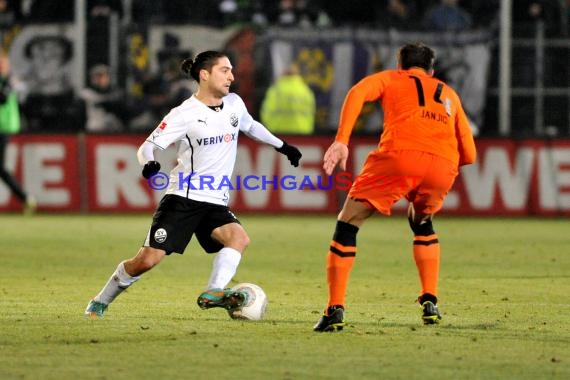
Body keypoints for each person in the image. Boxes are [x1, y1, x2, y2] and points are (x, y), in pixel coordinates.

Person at [85, 50, 302, 317]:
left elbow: (251, 126)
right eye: (225, 70)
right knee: (147, 260)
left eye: (231, 70)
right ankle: (100, 301)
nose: (231, 77)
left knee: (238, 238)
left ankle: (214, 291)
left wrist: (284, 147)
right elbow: (147, 147)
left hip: (215, 201)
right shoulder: (184, 113)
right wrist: (149, 163)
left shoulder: (234, 103)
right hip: (183, 199)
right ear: (205, 74)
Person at [313, 42, 476, 332]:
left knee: (348, 223)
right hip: (443, 164)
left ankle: (335, 308)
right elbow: (471, 154)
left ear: (400, 65)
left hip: (399, 156)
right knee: (422, 221)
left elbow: (357, 92)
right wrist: (438, 166)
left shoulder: (392, 78)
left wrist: (341, 139)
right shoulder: (449, 93)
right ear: (432, 70)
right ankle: (430, 301)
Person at [0, 48, 36, 213]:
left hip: (3, 127)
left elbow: (4, 98)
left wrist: (10, 85)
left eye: (3, 62)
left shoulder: (10, 81)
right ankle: (25, 198)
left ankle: (25, 197)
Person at [260, 63, 316, 135]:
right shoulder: (306, 91)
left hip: (277, 133)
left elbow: (265, 113)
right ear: (297, 75)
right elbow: (311, 113)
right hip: (302, 133)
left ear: (283, 74)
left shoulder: (275, 90)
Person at [80, 64, 126, 133]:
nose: (100, 80)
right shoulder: (86, 94)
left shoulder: (116, 94)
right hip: (94, 130)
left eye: (103, 76)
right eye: (97, 77)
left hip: (113, 130)